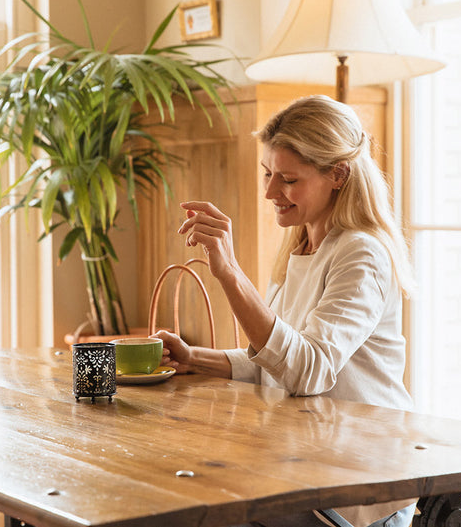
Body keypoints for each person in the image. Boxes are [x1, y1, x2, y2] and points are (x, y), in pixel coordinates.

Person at [152, 95, 416, 527]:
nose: (270, 192)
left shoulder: (361, 253)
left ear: (338, 174)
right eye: (268, 174)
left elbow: (308, 371)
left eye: (288, 179)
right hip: (308, 470)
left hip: (359, 488)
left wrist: (231, 274)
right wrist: (194, 358)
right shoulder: (303, 243)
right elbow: (276, 362)